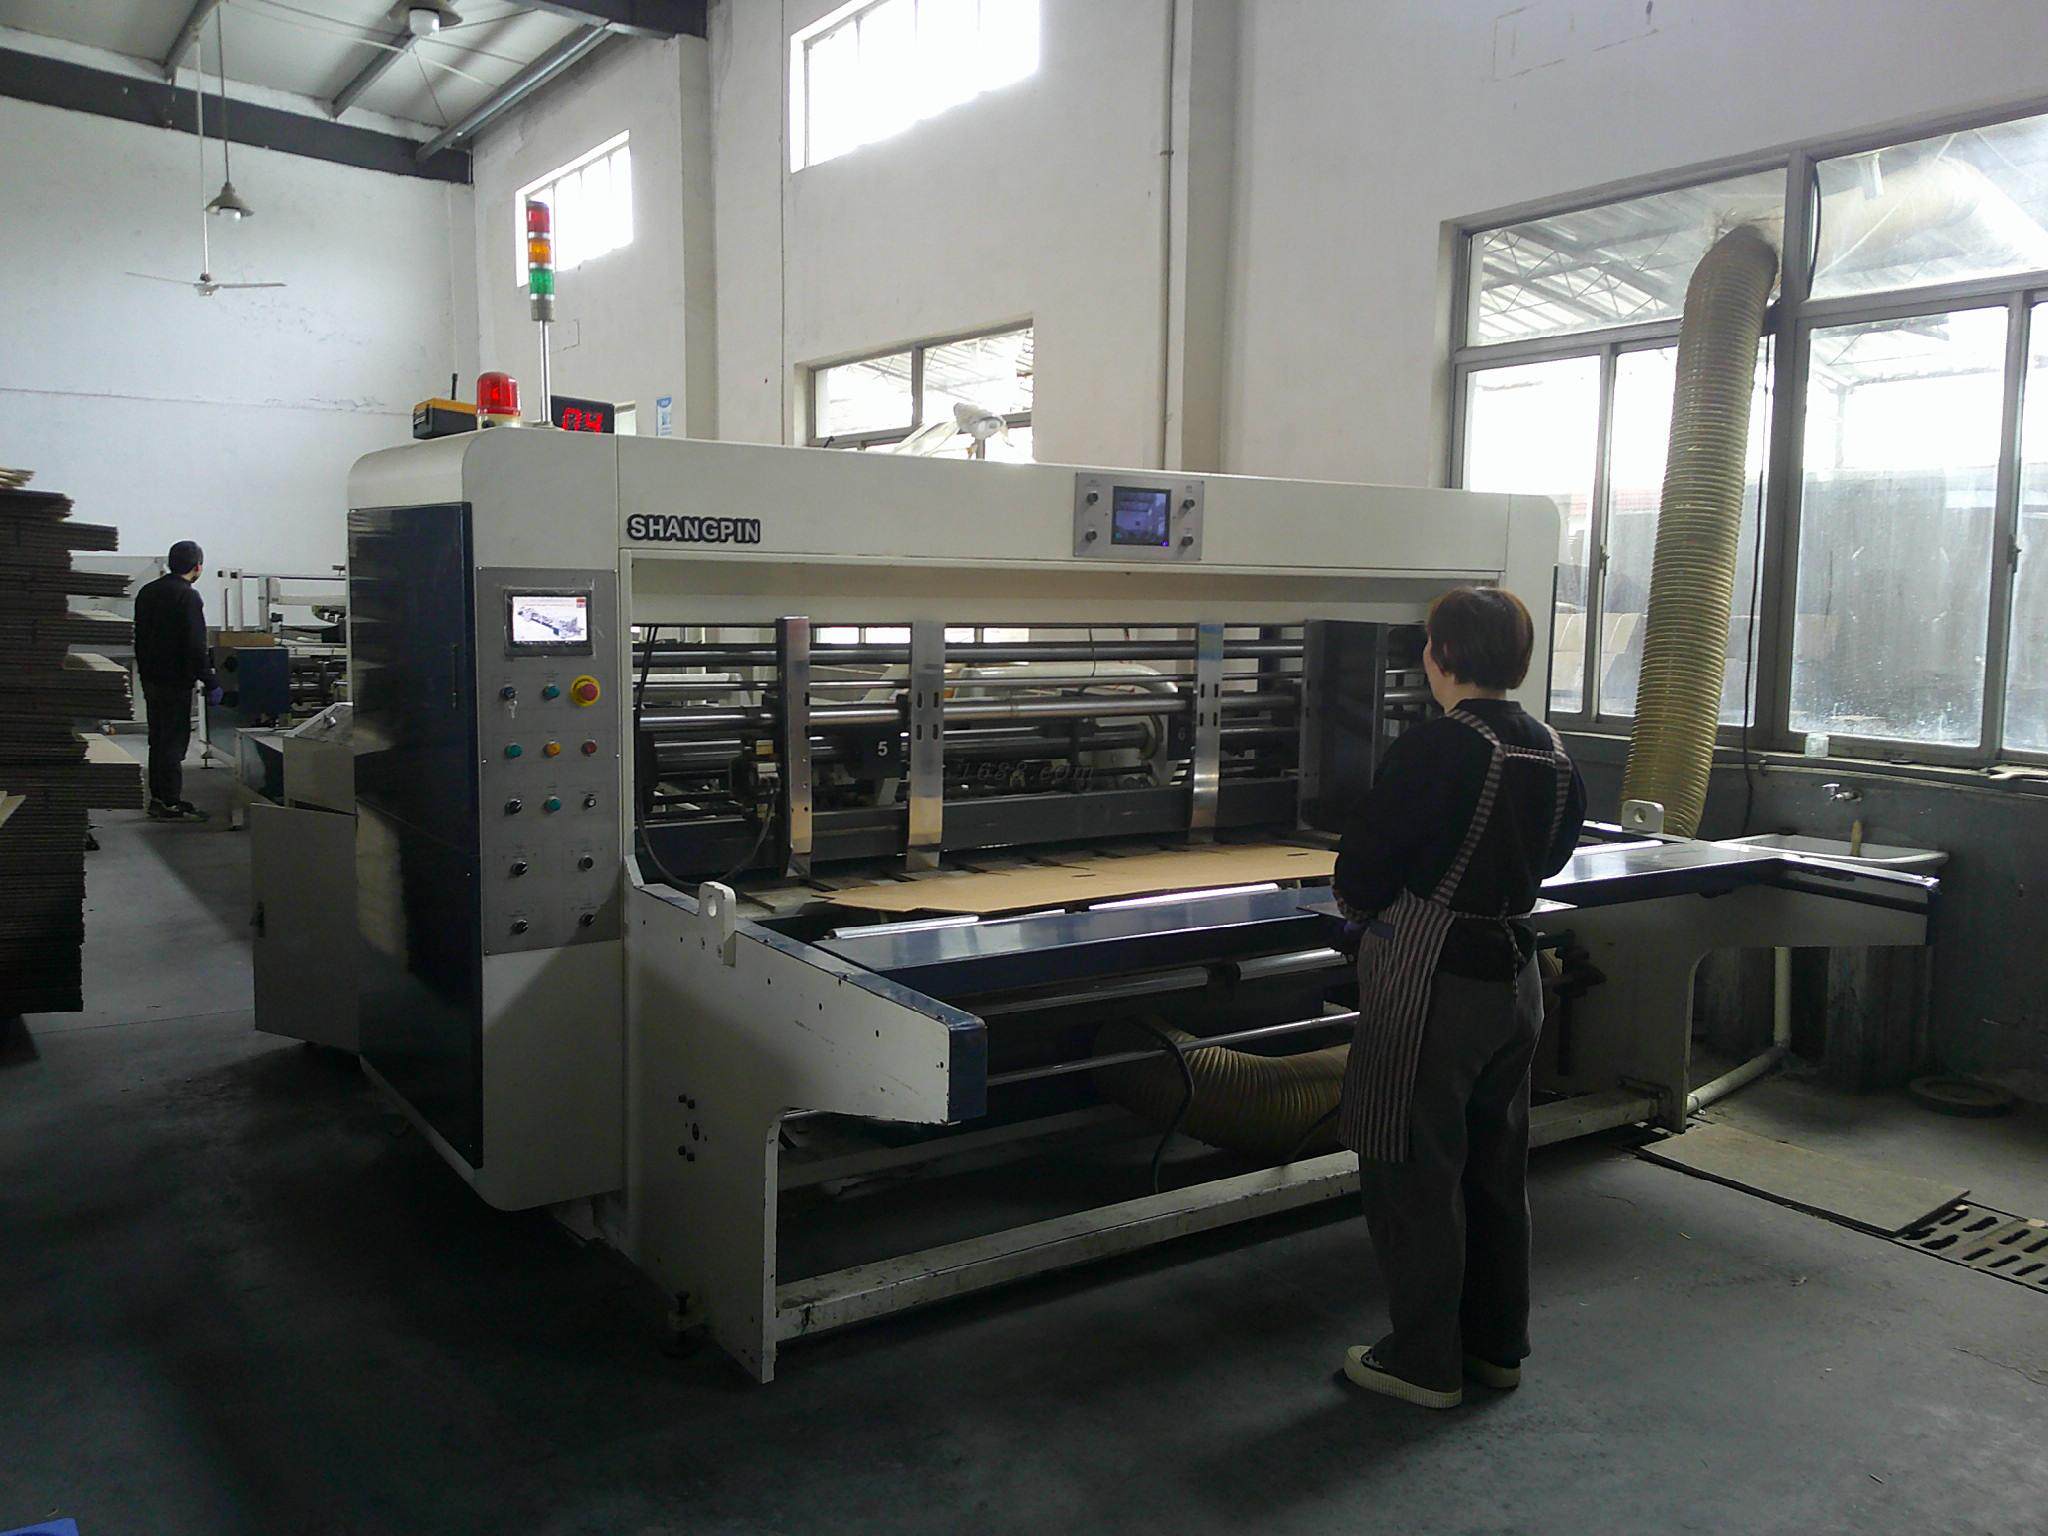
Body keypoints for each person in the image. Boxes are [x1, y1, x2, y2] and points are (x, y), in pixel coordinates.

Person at [1332, 586, 1586, 1410]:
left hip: (1435, 982)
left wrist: (1364, 910)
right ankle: (1494, 1348)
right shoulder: (1553, 750)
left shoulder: (1439, 747)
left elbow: (1365, 866)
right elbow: (1550, 860)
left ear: (1440, 655)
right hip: (1516, 975)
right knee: (1493, 1166)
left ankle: (1421, 1362)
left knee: (1412, 1169)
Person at [134, 541, 221, 823]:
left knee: (158, 740)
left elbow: (140, 639)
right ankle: (170, 802)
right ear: (197, 566)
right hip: (175, 683)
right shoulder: (188, 596)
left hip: (152, 680)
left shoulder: (147, 592)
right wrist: (211, 681)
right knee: (173, 743)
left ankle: (159, 798)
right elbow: (195, 645)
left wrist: (145, 674)